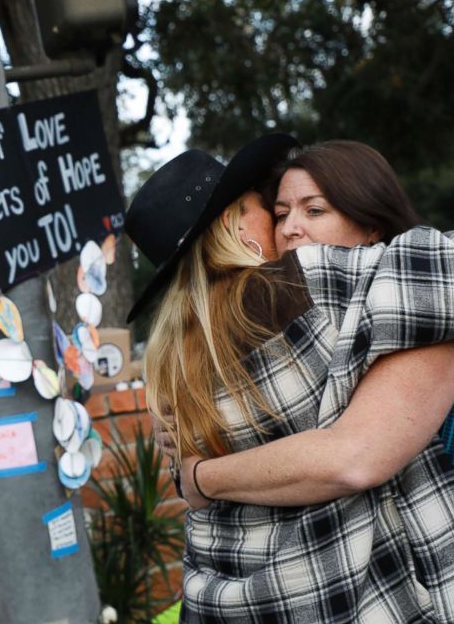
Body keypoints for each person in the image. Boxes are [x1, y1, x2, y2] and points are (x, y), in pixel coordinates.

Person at [125, 135, 454, 621]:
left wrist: (199, 476)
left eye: (312, 211)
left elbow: (195, 489)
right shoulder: (315, 283)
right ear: (237, 222)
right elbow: (356, 458)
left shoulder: (172, 366)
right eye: (276, 212)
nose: (292, 231)